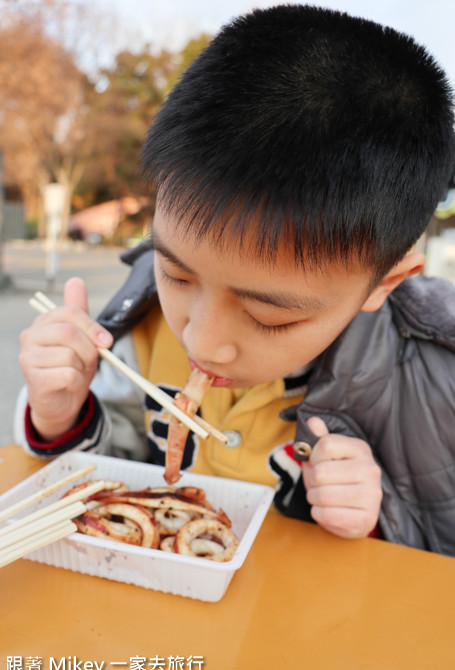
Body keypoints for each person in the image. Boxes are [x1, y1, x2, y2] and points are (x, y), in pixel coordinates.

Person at [15, 5, 455, 555]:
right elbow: (112, 475)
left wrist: (376, 521)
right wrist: (61, 415)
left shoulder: (434, 381)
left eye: (268, 316)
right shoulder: (141, 323)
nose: (200, 340)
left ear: (384, 285)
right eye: (175, 272)